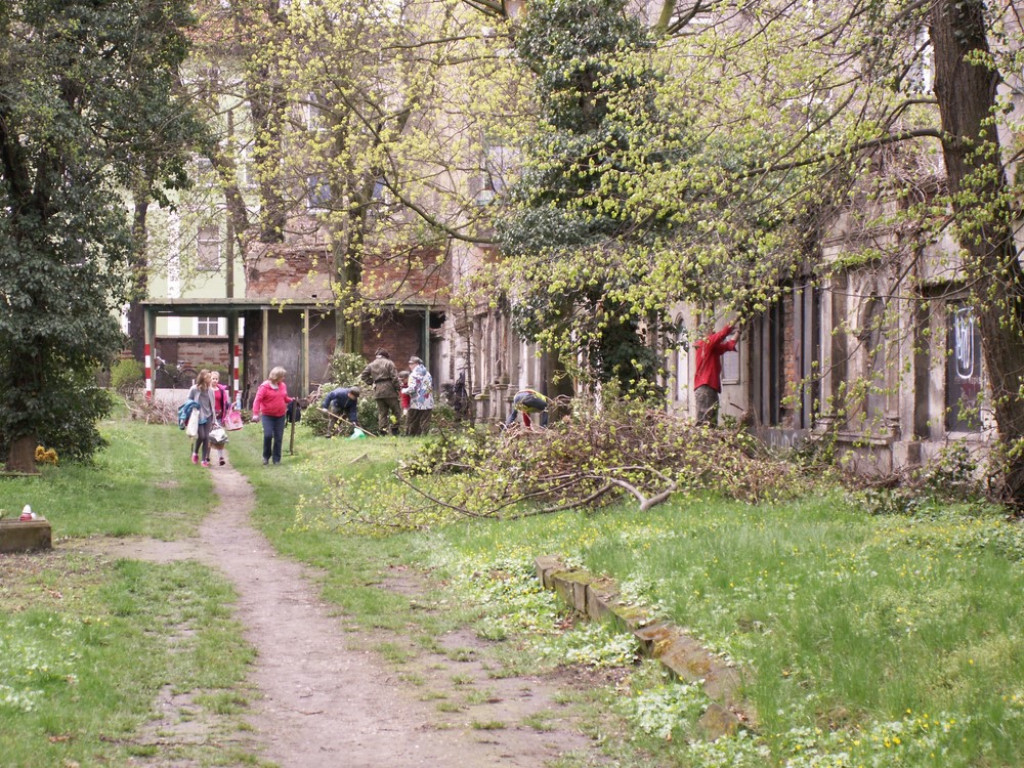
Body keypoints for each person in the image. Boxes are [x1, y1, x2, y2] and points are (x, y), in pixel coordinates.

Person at [693, 323, 738, 426]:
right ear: (705, 333)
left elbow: (729, 345)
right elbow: (721, 334)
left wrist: (738, 332)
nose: (713, 332)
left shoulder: (711, 348)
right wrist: (735, 320)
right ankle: (703, 442)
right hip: (705, 387)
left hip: (710, 388)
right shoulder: (705, 343)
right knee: (705, 423)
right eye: (711, 331)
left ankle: (708, 441)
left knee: (711, 422)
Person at [252, 366, 293, 465]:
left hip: (280, 415)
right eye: (282, 376)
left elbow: (284, 397)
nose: (283, 378)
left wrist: (291, 400)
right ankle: (266, 456)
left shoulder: (282, 385)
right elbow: (257, 400)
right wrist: (255, 414)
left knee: (278, 437)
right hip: (268, 416)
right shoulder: (264, 387)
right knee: (268, 435)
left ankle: (276, 459)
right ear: (276, 377)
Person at [360, 349, 402, 436]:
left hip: (378, 391)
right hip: (389, 390)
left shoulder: (371, 364)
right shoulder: (389, 363)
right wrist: (398, 388)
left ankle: (383, 431)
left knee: (382, 413)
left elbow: (363, 375)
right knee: (396, 410)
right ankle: (395, 430)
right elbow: (394, 377)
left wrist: (372, 382)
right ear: (386, 356)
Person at [187, 369, 217, 468]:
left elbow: (212, 405)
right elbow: (189, 401)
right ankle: (195, 452)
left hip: (208, 415)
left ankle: (204, 460)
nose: (211, 379)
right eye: (208, 377)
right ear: (203, 379)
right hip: (198, 416)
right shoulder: (194, 389)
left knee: (207, 438)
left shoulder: (211, 391)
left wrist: (214, 420)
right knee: (202, 436)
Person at [403, 357, 434, 436]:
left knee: (412, 420)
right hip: (428, 401)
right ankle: (424, 436)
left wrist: (403, 391)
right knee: (425, 420)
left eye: (411, 364)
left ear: (416, 364)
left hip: (416, 402)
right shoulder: (427, 373)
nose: (410, 366)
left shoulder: (413, 375)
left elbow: (412, 389)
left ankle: (410, 436)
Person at [210, 371, 231, 466]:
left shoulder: (221, 390)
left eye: (216, 379)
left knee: (219, 437)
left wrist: (228, 408)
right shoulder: (207, 389)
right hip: (208, 417)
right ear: (209, 379)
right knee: (209, 438)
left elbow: (225, 402)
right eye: (213, 378)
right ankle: (206, 457)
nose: (214, 380)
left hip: (218, 417)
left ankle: (221, 457)